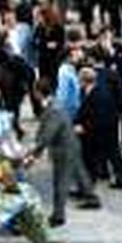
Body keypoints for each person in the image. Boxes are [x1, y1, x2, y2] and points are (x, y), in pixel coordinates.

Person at [28, 77, 100, 227]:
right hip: (72, 144)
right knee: (79, 172)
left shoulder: (53, 109)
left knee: (60, 182)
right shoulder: (55, 104)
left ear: (39, 93)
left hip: (64, 150)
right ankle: (92, 197)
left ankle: (58, 215)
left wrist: (33, 152)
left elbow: (47, 134)